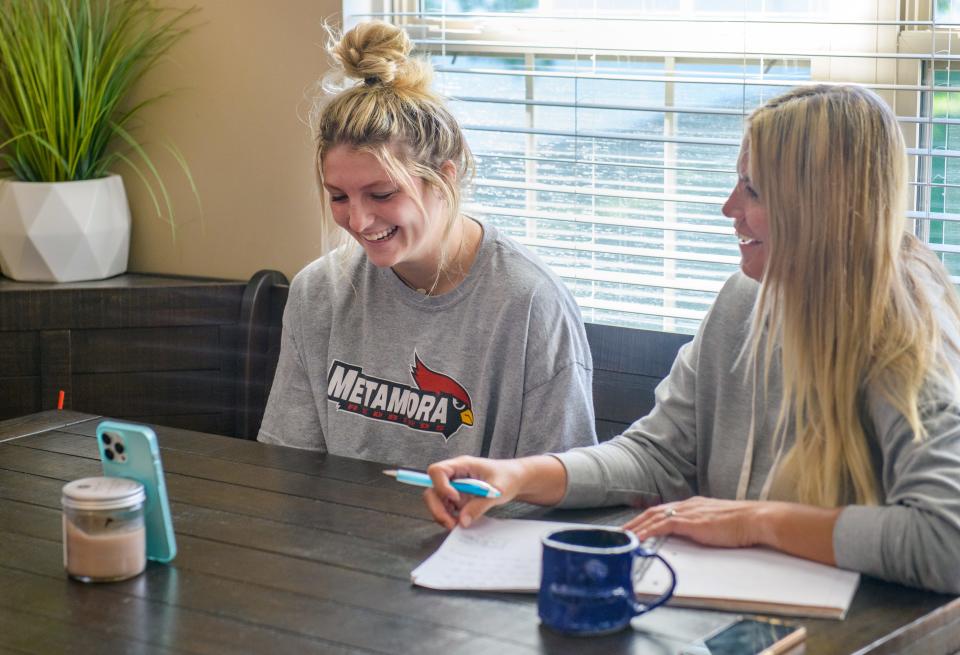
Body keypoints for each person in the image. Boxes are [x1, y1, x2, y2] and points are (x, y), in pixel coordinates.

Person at [423, 84, 960, 595]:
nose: (729, 208)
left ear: (820, 205)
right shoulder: (744, 299)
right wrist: (518, 475)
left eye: (752, 190)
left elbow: (947, 540)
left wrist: (757, 521)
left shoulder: (908, 336)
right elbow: (657, 456)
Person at [257, 21, 597, 469]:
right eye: (338, 196)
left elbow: (559, 486)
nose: (357, 220)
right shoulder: (318, 293)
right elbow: (290, 466)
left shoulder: (529, 304)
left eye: (382, 195)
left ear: (445, 180)